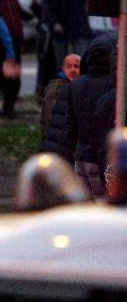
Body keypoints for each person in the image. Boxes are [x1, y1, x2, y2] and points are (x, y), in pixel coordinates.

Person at [62, 33, 118, 200]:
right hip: (103, 160)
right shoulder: (114, 85)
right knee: (106, 206)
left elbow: (69, 127)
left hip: (81, 157)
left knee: (84, 207)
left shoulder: (76, 85)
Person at [45, 0, 93, 69]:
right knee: (60, 61)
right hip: (60, 28)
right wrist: (55, 23)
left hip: (79, 27)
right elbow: (48, 7)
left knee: (80, 59)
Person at [40, 53, 81, 138]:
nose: (73, 70)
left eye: (76, 67)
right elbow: (49, 119)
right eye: (69, 67)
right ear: (63, 69)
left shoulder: (79, 86)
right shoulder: (55, 89)